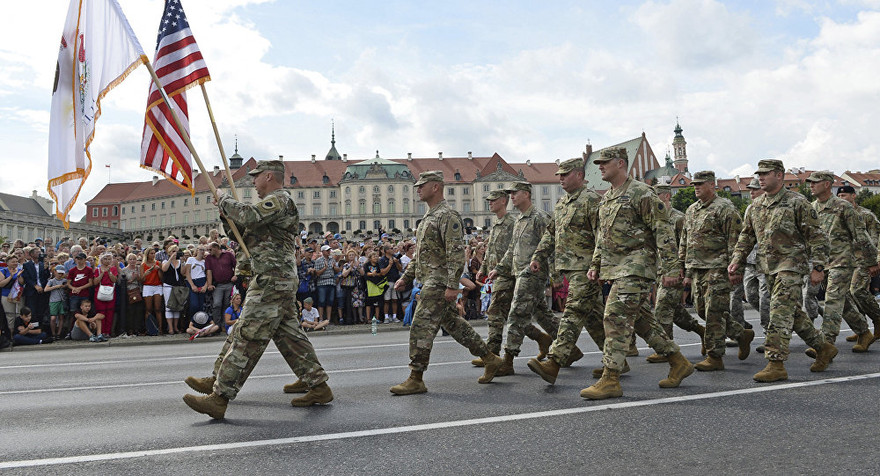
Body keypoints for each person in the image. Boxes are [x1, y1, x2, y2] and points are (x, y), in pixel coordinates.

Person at [184, 160, 332, 419]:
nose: (252, 182)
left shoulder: (279, 200)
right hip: (273, 279)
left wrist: (225, 199)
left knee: (248, 336)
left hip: (272, 280)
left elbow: (249, 216)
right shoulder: (269, 206)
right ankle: (317, 384)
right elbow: (241, 230)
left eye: (255, 177)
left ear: (268, 177)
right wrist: (224, 211)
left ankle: (220, 396)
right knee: (289, 335)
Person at [582, 148, 694, 400]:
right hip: (616, 268)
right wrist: (596, 264)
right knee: (642, 320)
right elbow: (603, 237)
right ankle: (678, 361)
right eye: (598, 163)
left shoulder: (641, 193)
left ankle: (611, 378)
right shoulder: (608, 197)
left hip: (637, 267)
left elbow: (663, 231)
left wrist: (671, 268)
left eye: (605, 163)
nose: (600, 167)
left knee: (613, 317)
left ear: (620, 164)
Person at [390, 171, 502, 395]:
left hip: (439, 281)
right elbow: (421, 255)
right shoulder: (428, 218)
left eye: (423, 185)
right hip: (429, 278)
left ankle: (416, 377)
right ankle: (490, 358)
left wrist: (452, 285)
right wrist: (406, 277)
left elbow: (456, 253)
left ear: (436, 187)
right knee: (453, 324)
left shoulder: (447, 215)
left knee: (420, 326)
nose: (418, 189)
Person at [730, 159, 836, 382]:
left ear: (779, 175)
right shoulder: (755, 207)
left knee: (778, 311)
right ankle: (823, 348)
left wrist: (818, 267)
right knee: (793, 314)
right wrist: (737, 260)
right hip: (767, 268)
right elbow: (746, 236)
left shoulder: (797, 203)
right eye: (759, 174)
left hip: (791, 267)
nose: (760, 177)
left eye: (765, 173)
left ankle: (776, 363)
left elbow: (817, 237)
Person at [527, 157, 605, 384]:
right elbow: (551, 234)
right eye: (559, 175)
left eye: (565, 174)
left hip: (586, 269)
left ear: (579, 175)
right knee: (593, 318)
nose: (560, 178)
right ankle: (615, 360)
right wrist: (538, 256)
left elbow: (602, 235)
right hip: (569, 268)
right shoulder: (562, 203)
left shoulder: (592, 200)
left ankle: (554, 362)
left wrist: (597, 264)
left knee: (572, 314)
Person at [679, 171, 755, 371]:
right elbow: (685, 241)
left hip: (718, 268)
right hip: (697, 268)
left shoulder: (725, 208)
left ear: (712, 185)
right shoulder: (691, 210)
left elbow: (736, 240)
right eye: (694, 184)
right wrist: (684, 269)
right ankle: (740, 333)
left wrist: (736, 268)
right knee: (702, 310)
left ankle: (715, 356)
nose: (696, 187)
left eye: (700, 184)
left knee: (714, 311)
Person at [486, 181, 561, 377]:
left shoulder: (539, 218)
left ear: (526, 194)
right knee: (540, 314)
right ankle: (566, 348)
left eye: (515, 193)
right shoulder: (519, 219)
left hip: (533, 274)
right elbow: (512, 250)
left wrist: (555, 275)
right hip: (518, 273)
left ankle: (508, 360)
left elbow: (552, 245)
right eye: (510, 193)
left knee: (516, 314)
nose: (511, 196)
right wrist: (498, 269)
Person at [805, 171, 879, 352]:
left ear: (828, 184)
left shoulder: (844, 207)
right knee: (843, 303)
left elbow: (860, 235)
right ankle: (864, 332)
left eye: (815, 182)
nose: (811, 185)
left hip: (843, 261)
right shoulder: (812, 208)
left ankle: (824, 345)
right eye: (810, 183)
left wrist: (872, 260)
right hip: (824, 263)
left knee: (832, 300)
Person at [646, 184, 706, 363]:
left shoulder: (679, 218)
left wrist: (685, 271)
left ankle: (666, 350)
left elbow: (687, 246)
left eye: (656, 195)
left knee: (662, 308)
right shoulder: (653, 217)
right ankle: (703, 331)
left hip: (675, 270)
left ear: (666, 196)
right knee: (676, 312)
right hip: (659, 270)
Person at [836, 185, 880, 343]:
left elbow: (875, 237)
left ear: (853, 196)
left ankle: (877, 318)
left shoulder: (866, 215)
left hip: (864, 260)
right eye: (839, 196)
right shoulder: (839, 215)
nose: (842, 198)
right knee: (847, 295)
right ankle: (862, 328)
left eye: (845, 195)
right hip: (845, 260)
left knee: (857, 291)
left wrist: (875, 260)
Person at [742, 178, 771, 350]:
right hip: (751, 261)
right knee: (751, 296)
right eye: (750, 190)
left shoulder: (772, 207)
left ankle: (771, 336)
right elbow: (745, 235)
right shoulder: (750, 209)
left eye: (755, 189)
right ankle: (781, 320)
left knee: (765, 299)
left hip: (767, 262)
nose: (751, 192)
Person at [205, 241, 237, 329]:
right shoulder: (209, 258)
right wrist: (209, 284)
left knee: (227, 304)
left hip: (229, 283)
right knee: (217, 304)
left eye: (210, 249)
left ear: (216, 248)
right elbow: (209, 271)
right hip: (218, 285)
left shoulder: (228, 255)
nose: (208, 251)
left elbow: (236, 265)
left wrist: (235, 275)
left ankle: (224, 324)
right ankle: (217, 324)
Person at [21, 247, 50, 327]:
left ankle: (40, 328)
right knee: (32, 311)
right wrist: (35, 286)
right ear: (31, 254)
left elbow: (46, 276)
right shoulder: (26, 265)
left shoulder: (42, 264)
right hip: (32, 291)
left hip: (42, 291)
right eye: (37, 252)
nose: (39, 254)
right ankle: (33, 328)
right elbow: (26, 278)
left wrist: (46, 268)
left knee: (41, 311)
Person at [92, 252, 118, 338]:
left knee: (109, 313)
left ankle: (107, 331)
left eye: (109, 259)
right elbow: (95, 282)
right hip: (100, 292)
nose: (107, 261)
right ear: (101, 260)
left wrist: (109, 272)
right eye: (105, 259)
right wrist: (102, 273)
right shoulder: (97, 270)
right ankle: (101, 331)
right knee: (101, 312)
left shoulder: (113, 269)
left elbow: (114, 280)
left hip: (110, 292)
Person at [161, 245, 185, 335]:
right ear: (169, 253)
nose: (175, 253)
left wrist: (182, 262)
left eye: (176, 251)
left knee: (177, 308)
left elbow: (183, 273)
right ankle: (170, 328)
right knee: (169, 307)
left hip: (177, 286)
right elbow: (164, 269)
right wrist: (170, 259)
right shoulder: (165, 261)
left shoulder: (179, 262)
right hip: (168, 286)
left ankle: (176, 327)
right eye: (173, 251)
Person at [311, 245, 338, 324]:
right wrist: (324, 268)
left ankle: (328, 319)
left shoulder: (332, 259)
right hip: (322, 282)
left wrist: (334, 267)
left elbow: (336, 270)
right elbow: (317, 273)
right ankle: (321, 319)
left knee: (330, 301)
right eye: (327, 250)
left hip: (331, 282)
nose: (329, 252)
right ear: (323, 252)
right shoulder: (318, 260)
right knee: (321, 301)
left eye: (329, 250)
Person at [67, 252, 94, 329]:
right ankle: (71, 330)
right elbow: (68, 283)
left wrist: (80, 288)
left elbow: (90, 283)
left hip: (84, 294)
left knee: (85, 312)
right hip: (74, 294)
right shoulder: (72, 270)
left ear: (85, 260)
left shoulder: (88, 270)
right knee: (73, 312)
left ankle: (85, 328)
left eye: (81, 259)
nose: (79, 261)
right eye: (77, 259)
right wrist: (73, 288)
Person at [120, 253, 145, 336]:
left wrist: (137, 277)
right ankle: (130, 329)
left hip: (139, 291)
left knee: (139, 311)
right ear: (127, 260)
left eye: (134, 259)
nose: (132, 261)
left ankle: (137, 329)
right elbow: (121, 283)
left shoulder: (139, 268)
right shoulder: (124, 270)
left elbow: (143, 280)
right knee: (131, 312)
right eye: (130, 259)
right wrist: (131, 280)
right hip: (130, 292)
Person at [140, 248, 163, 333]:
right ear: (147, 255)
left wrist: (159, 270)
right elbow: (142, 280)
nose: (153, 255)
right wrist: (145, 274)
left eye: (154, 253)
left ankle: (160, 328)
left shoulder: (158, 263)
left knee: (158, 308)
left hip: (157, 286)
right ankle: (148, 328)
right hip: (148, 286)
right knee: (148, 309)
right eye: (151, 253)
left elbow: (161, 278)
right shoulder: (143, 265)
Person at [379, 244, 403, 322]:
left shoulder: (396, 258)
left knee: (395, 300)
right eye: (391, 248)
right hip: (387, 282)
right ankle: (386, 317)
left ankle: (394, 316)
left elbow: (400, 269)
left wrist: (396, 263)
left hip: (395, 281)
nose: (393, 250)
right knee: (386, 300)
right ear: (386, 250)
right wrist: (390, 265)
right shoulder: (382, 259)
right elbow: (383, 272)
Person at [1, 255, 23, 337]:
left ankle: (18, 334)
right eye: (13, 262)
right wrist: (11, 276)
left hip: (18, 295)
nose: (15, 263)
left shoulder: (20, 270)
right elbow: (1, 284)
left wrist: (19, 276)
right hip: (7, 296)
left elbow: (22, 283)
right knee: (10, 316)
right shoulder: (3, 271)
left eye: (16, 262)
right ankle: (10, 335)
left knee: (18, 314)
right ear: (7, 263)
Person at [338, 250, 362, 325]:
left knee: (359, 302)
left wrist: (357, 267)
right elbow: (344, 274)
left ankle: (360, 318)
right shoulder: (346, 265)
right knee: (350, 303)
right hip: (349, 286)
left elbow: (362, 273)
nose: (351, 256)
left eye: (353, 255)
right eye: (350, 255)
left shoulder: (358, 263)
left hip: (357, 285)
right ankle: (352, 318)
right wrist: (350, 268)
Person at [184, 246, 208, 319]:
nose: (202, 251)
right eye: (201, 249)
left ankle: (200, 321)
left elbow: (208, 275)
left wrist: (205, 286)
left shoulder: (205, 262)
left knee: (201, 305)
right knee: (194, 304)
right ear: (197, 250)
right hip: (193, 281)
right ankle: (192, 321)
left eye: (204, 250)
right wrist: (192, 285)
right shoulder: (191, 259)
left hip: (202, 281)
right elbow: (187, 273)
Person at [46, 266, 68, 340]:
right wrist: (56, 287)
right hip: (53, 301)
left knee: (61, 317)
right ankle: (53, 333)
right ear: (55, 272)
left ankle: (58, 333)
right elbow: (46, 289)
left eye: (62, 273)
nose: (60, 275)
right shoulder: (51, 281)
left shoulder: (65, 280)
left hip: (62, 300)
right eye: (59, 273)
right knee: (53, 318)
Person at [364, 251, 385, 323]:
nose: (376, 258)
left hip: (377, 285)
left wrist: (377, 274)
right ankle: (368, 318)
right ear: (370, 258)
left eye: (376, 256)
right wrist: (372, 274)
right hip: (369, 285)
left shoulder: (379, 265)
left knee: (377, 303)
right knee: (368, 303)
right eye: (374, 257)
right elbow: (366, 273)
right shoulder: (367, 265)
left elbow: (381, 274)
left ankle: (377, 318)